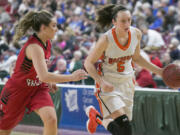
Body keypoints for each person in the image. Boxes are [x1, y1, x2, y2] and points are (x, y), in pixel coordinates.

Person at [0, 10, 87, 135]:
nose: (56, 29)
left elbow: (42, 71)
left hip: (36, 88)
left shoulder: (47, 43)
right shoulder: (34, 47)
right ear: (43, 27)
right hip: (16, 91)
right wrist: (72, 76)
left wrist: (50, 80)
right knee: (4, 131)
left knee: (51, 119)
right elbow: (44, 75)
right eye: (53, 26)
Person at [84, 4, 163, 135]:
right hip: (108, 84)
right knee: (125, 127)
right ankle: (98, 118)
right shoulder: (105, 39)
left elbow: (137, 58)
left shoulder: (136, 34)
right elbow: (88, 63)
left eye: (129, 20)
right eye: (123, 21)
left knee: (122, 130)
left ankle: (97, 118)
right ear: (114, 22)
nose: (127, 23)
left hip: (127, 83)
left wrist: (159, 71)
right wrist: (101, 82)